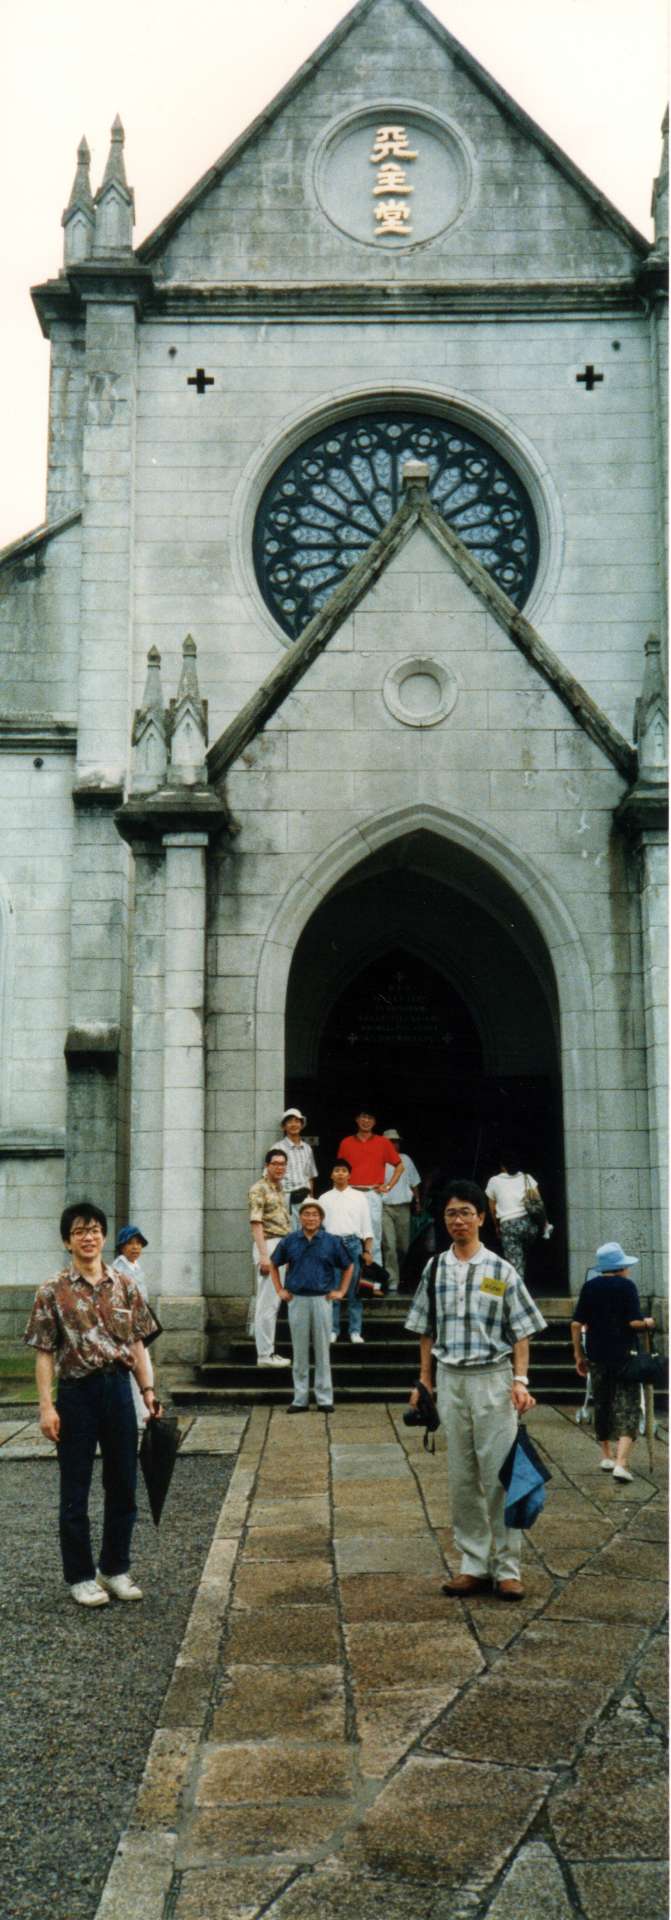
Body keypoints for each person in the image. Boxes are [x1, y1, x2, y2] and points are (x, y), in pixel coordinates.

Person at [406, 1179, 547, 1600]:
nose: (459, 1221)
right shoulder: (435, 1269)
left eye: (466, 1212)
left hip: (493, 1380)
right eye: (451, 1213)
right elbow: (425, 1330)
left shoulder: (501, 1270)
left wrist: (520, 1381)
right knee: (462, 1477)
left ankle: (507, 1569)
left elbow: (522, 1331)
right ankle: (473, 1564)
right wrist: (425, 1380)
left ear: (482, 1218)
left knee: (499, 1476)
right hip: (451, 1380)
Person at [23, 1199, 161, 1607]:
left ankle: (114, 1568)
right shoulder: (52, 1290)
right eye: (80, 1231)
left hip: (119, 1389)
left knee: (124, 1484)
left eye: (95, 1230)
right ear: (68, 1241)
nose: (89, 1237)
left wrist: (148, 1392)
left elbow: (137, 1343)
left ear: (104, 1236)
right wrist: (46, 1407)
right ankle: (81, 1576)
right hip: (76, 1395)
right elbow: (44, 1352)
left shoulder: (125, 1285)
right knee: (75, 1488)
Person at [570, 1240, 655, 1483]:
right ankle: (622, 1462)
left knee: (603, 1402)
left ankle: (606, 1456)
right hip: (624, 1355)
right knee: (628, 1405)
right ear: (621, 1267)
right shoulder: (627, 1287)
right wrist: (649, 1323)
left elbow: (576, 1324)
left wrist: (578, 1354)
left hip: (597, 1354)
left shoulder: (590, 1287)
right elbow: (633, 1323)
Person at [270, 1198, 353, 1412]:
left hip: (322, 1300)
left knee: (322, 1351)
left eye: (315, 1214)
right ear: (300, 1217)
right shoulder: (290, 1241)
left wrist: (341, 1291)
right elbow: (273, 1263)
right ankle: (300, 1399)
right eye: (306, 1214)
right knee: (299, 1352)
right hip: (297, 1299)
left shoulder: (331, 1241)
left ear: (321, 1218)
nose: (311, 1218)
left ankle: (324, 1399)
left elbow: (348, 1265)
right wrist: (279, 1289)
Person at [317, 1158, 374, 1345]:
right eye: (337, 1170)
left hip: (353, 1245)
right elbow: (319, 1227)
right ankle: (332, 1329)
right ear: (331, 1175)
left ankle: (355, 1331)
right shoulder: (324, 1198)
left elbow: (367, 1226)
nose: (340, 1174)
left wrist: (367, 1250)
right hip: (331, 1244)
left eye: (344, 1171)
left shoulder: (359, 1197)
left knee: (354, 1290)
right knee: (332, 1288)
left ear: (349, 1175)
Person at [337, 1107, 403, 1262]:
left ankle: (375, 1276)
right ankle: (351, 1274)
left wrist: (388, 1186)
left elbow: (400, 1166)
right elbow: (339, 1169)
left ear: (374, 1122)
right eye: (363, 1117)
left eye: (370, 1118)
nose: (366, 1121)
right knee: (348, 1233)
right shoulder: (346, 1142)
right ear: (357, 1119)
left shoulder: (383, 1142)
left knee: (373, 1236)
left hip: (372, 1193)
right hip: (350, 1192)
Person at [248, 1150, 292, 1368]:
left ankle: (268, 1352)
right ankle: (265, 1355)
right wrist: (265, 1256)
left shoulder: (279, 1188)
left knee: (273, 1303)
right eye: (275, 1163)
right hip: (269, 1245)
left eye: (283, 1164)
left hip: (281, 1245)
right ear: (267, 1165)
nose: (280, 1167)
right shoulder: (259, 1188)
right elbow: (256, 1223)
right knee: (268, 1302)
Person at [485, 1153, 549, 1282]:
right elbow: (538, 1202)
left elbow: (492, 1208)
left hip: (509, 1226)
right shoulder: (527, 1178)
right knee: (522, 1256)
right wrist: (544, 1223)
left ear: (502, 1166)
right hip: (530, 1226)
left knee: (515, 1262)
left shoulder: (494, 1181)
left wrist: (497, 1227)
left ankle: (518, 1290)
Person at [114, 1223, 154, 1426]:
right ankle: (139, 1414)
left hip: (140, 1325)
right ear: (122, 1246)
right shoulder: (119, 1268)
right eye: (131, 1243)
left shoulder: (135, 1266)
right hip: (127, 1327)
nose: (135, 1247)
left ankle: (145, 1410)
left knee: (145, 1367)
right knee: (136, 1368)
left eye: (138, 1243)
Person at [381, 1127, 421, 1293]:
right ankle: (392, 1280)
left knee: (403, 1246)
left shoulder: (406, 1159)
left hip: (404, 1207)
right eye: (390, 1141)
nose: (394, 1144)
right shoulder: (378, 1160)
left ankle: (397, 1274)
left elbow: (414, 1183)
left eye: (396, 1141)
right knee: (389, 1245)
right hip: (385, 1208)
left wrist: (417, 1202)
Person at [271, 1108, 318, 1225]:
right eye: (290, 1121)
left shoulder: (307, 1148)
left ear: (301, 1125)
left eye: (297, 1121)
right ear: (284, 1126)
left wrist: (311, 1199)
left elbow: (310, 1176)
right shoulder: (277, 1148)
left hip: (305, 1200)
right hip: (286, 1200)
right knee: (289, 1233)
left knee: (306, 1232)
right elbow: (270, 1178)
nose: (294, 1124)